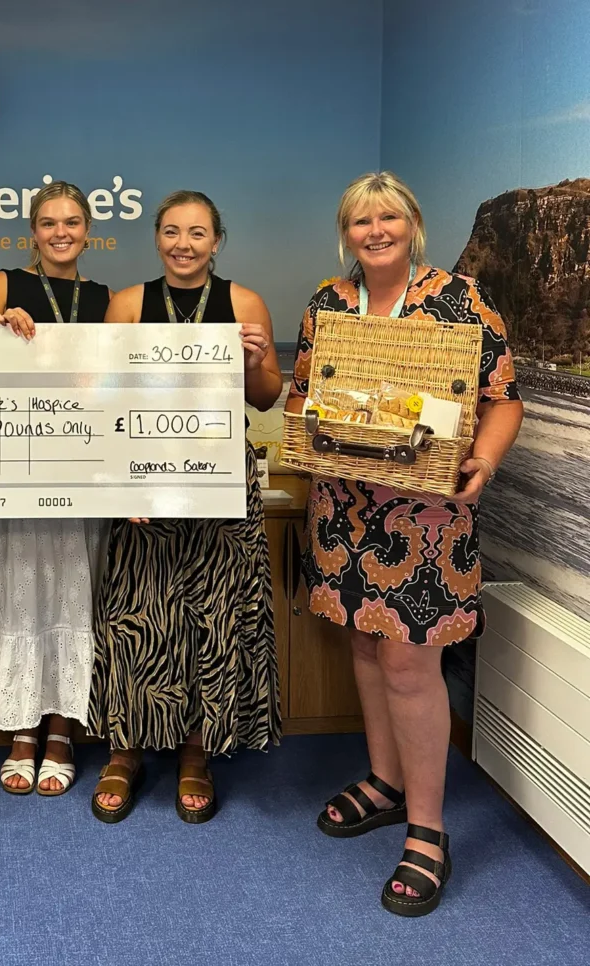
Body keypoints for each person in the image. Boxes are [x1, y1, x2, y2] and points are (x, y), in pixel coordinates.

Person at [289, 171, 523, 916]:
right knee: (365, 643)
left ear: (412, 224)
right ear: (346, 234)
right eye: (361, 221)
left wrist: (484, 461)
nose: (376, 230)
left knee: (409, 664)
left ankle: (428, 830)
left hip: (426, 516)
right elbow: (302, 394)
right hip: (343, 509)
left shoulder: (461, 299)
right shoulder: (328, 303)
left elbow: (503, 399)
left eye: (388, 217)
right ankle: (385, 781)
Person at [88, 190, 282, 824]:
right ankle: (125, 749)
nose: (183, 244)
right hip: (141, 480)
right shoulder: (127, 304)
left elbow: (264, 397)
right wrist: (118, 481)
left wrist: (254, 361)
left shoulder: (244, 303)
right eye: (171, 231)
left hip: (220, 481)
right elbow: (102, 396)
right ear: (157, 238)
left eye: (197, 233)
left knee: (211, 615)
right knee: (136, 613)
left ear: (216, 241)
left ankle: (196, 751)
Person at [0, 181, 112, 795]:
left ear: (87, 231)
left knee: (75, 598)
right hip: (15, 470)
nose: (60, 233)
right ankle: (22, 731)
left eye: (72, 222)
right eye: (49, 223)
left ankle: (61, 732)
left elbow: (113, 382)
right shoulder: (2, 285)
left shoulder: (105, 299)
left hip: (81, 468)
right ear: (33, 231)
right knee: (19, 597)